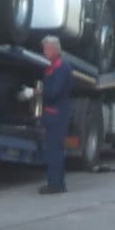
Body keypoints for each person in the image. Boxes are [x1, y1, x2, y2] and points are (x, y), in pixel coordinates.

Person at [37, 35, 74, 194]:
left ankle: (56, 185)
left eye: (46, 49)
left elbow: (54, 92)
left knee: (55, 150)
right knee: (52, 150)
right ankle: (56, 182)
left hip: (57, 115)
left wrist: (38, 92)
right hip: (53, 114)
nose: (44, 52)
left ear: (54, 49)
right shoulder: (53, 66)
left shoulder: (62, 68)